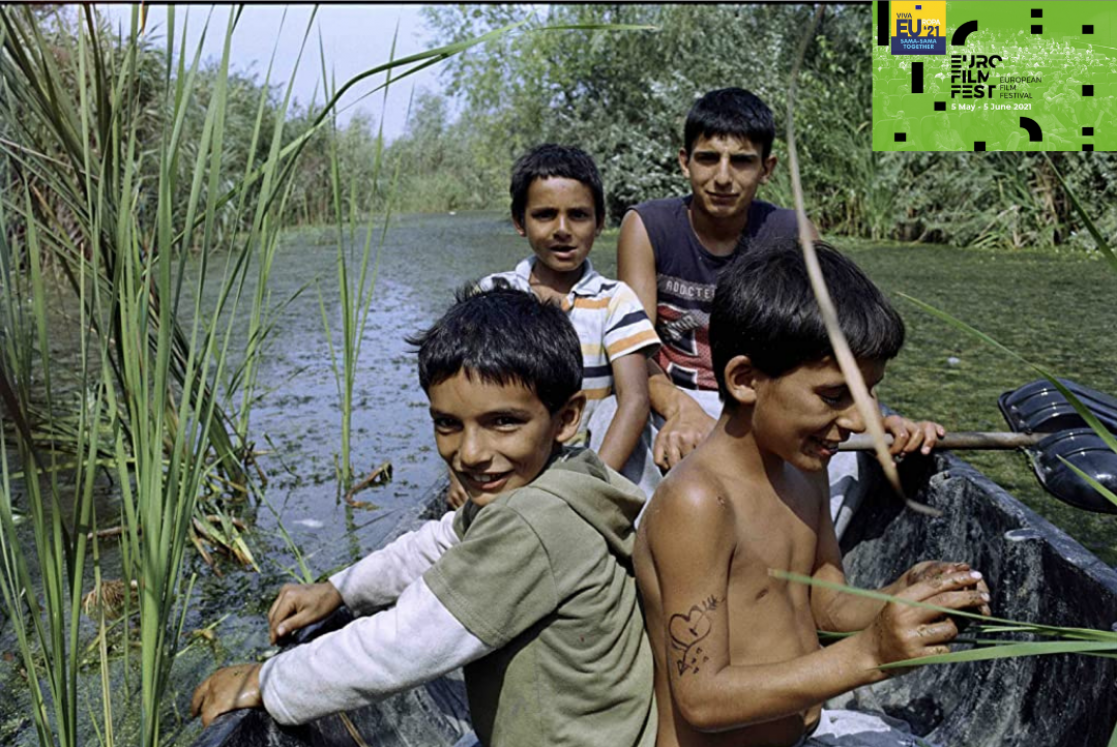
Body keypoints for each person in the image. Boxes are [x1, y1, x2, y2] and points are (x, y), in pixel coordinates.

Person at [192, 287, 657, 747]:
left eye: (503, 422)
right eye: (448, 423)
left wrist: (267, 680)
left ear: (567, 417)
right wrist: (340, 589)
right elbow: (438, 541)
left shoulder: (535, 523)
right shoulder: (563, 477)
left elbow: (406, 644)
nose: (471, 453)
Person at [633, 240, 991, 747]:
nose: (857, 419)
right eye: (833, 395)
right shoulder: (699, 504)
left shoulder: (805, 471)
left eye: (868, 391)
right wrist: (869, 653)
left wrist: (901, 592)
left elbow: (824, 607)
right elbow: (702, 699)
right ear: (744, 379)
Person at [617, 87, 812, 472]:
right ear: (685, 163)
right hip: (669, 393)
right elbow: (633, 350)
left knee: (847, 462)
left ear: (766, 169)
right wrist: (680, 408)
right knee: (615, 417)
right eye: (708, 159)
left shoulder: (793, 233)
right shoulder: (647, 226)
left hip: (759, 402)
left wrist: (871, 411)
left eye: (741, 161)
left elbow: (826, 347)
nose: (723, 177)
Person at [465, 143, 660, 505]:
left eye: (579, 215)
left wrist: (590, 488)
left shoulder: (615, 299)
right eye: (544, 215)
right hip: (510, 456)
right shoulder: (495, 291)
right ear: (519, 222)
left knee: (615, 406)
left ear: (600, 223)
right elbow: (464, 396)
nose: (562, 229)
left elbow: (634, 400)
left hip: (590, 457)